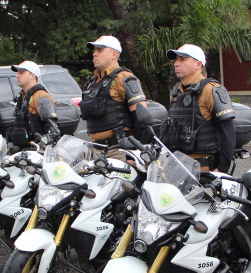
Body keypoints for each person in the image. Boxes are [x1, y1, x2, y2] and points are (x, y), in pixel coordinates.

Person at [160, 44, 236, 173]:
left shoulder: (211, 90)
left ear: (198, 64)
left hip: (203, 169)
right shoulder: (176, 92)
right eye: (176, 60)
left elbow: (228, 133)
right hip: (177, 168)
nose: (176, 64)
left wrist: (221, 170)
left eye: (182, 59)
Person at [81, 35, 148, 149]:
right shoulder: (92, 82)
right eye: (94, 50)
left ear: (114, 54)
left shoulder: (124, 78)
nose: (94, 54)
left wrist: (135, 151)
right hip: (97, 150)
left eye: (100, 50)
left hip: (119, 150)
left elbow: (142, 119)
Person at [8, 61, 56, 148]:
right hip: (22, 150)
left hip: (36, 149)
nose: (17, 75)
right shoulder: (22, 96)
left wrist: (44, 143)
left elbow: (53, 130)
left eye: (21, 72)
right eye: (17, 72)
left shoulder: (41, 96)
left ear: (32, 76)